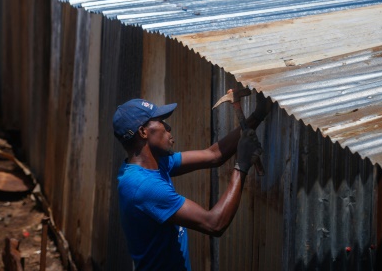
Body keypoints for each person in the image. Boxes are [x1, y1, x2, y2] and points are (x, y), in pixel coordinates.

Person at [112, 95, 269, 270]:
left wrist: (258, 115)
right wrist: (242, 165)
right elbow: (214, 223)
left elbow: (213, 156)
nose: (168, 127)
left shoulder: (152, 164)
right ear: (143, 132)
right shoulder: (144, 186)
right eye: (161, 121)